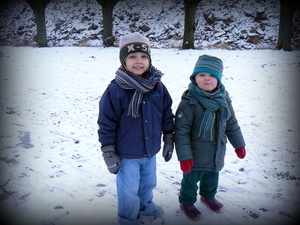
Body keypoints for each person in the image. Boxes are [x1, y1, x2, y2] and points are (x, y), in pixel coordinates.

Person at [97, 32, 174, 225]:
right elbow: (106, 123)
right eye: (132, 57)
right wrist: (108, 151)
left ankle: (146, 207)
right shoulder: (115, 90)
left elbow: (166, 114)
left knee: (148, 184)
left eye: (143, 57)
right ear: (124, 61)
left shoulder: (158, 86)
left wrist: (169, 138)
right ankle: (128, 219)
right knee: (128, 189)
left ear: (149, 59)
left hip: (150, 150)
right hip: (126, 153)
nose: (138, 61)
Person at [174, 55, 246, 221]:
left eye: (212, 75)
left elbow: (231, 123)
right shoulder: (189, 101)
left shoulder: (224, 99)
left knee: (212, 176)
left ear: (219, 79)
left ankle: (208, 196)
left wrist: (239, 144)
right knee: (190, 181)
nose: (207, 79)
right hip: (195, 154)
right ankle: (186, 202)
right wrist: (185, 157)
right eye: (202, 75)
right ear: (194, 78)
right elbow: (181, 131)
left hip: (216, 150)